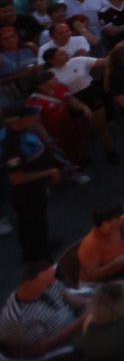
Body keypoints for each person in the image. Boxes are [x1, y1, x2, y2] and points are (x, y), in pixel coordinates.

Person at [3, 107, 63, 261]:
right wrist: (49, 172)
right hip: (26, 192)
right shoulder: (11, 144)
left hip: (35, 187)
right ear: (17, 120)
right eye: (31, 115)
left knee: (39, 221)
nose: (36, 118)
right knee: (32, 223)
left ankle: (39, 247)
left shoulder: (23, 131)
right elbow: (16, 178)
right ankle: (40, 258)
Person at [0, 260, 87, 360]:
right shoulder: (20, 319)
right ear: (30, 284)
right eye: (49, 283)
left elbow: (66, 296)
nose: (54, 282)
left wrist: (88, 302)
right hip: (60, 350)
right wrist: (79, 323)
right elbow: (41, 348)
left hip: (76, 325)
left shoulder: (47, 282)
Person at [76, 205, 124, 284]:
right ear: (98, 225)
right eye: (109, 221)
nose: (115, 223)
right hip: (106, 281)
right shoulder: (90, 245)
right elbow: (92, 275)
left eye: (117, 218)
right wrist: (116, 263)